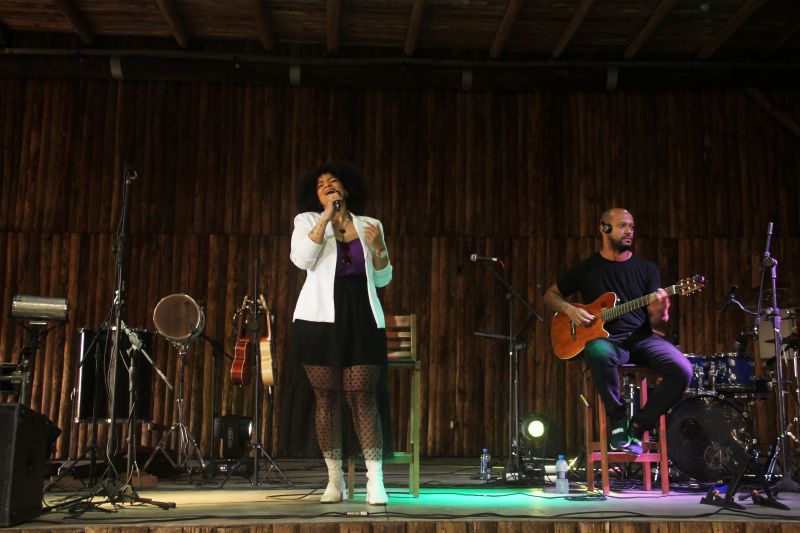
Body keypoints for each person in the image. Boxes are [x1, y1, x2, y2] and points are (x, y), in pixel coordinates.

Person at [542, 208, 691, 455]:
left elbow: (657, 322)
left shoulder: (647, 269)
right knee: (597, 350)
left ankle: (636, 426)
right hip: (608, 341)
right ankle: (618, 420)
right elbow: (550, 296)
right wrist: (569, 309)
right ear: (604, 228)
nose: (629, 231)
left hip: (642, 339)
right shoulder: (587, 268)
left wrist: (661, 311)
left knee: (683, 369)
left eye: (632, 227)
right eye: (622, 226)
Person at [288, 160, 393, 505]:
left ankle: (375, 480)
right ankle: (335, 480)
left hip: (362, 317)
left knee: (363, 396)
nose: (328, 186)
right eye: (321, 185)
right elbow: (302, 260)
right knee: (327, 399)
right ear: (317, 196)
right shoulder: (306, 221)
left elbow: (383, 278)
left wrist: (379, 248)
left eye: (333, 181)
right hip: (318, 320)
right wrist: (325, 218)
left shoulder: (371, 225)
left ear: (346, 189)